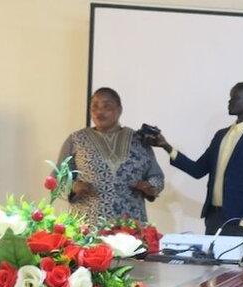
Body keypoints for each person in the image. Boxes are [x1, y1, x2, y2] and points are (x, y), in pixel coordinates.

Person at [155, 82, 243, 261]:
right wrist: (166, 146)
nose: (230, 101)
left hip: (241, 221)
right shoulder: (221, 135)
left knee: (242, 274)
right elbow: (197, 169)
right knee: (211, 272)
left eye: (235, 97)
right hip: (214, 219)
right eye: (230, 97)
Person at [58, 87, 164, 222]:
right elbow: (58, 178)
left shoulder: (138, 140)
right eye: (94, 107)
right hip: (87, 226)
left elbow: (156, 176)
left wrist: (151, 187)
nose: (99, 112)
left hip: (130, 225)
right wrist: (73, 186)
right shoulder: (77, 140)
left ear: (119, 110)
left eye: (106, 106)